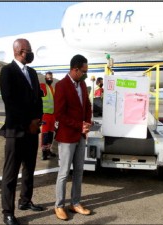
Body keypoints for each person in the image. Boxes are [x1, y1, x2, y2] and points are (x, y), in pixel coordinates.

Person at [0, 38, 44, 225]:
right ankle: (8, 212)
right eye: (29, 50)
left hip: (32, 131)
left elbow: (38, 99)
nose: (31, 53)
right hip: (16, 131)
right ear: (20, 51)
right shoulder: (7, 72)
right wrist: (28, 123)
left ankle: (25, 200)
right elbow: (11, 102)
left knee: (29, 169)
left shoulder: (32, 73)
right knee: (10, 173)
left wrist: (38, 120)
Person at [54, 54, 92, 220]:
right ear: (75, 69)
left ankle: (75, 202)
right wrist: (79, 125)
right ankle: (59, 205)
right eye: (83, 71)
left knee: (79, 171)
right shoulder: (62, 86)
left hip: (81, 135)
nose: (85, 74)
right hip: (67, 136)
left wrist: (88, 123)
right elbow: (59, 114)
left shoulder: (82, 84)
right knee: (63, 173)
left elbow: (88, 106)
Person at [40, 71, 57, 160]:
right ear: (45, 79)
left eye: (51, 77)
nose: (50, 79)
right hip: (45, 115)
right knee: (45, 134)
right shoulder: (43, 86)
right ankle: (44, 153)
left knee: (50, 134)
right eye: (48, 78)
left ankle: (48, 150)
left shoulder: (52, 88)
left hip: (52, 116)